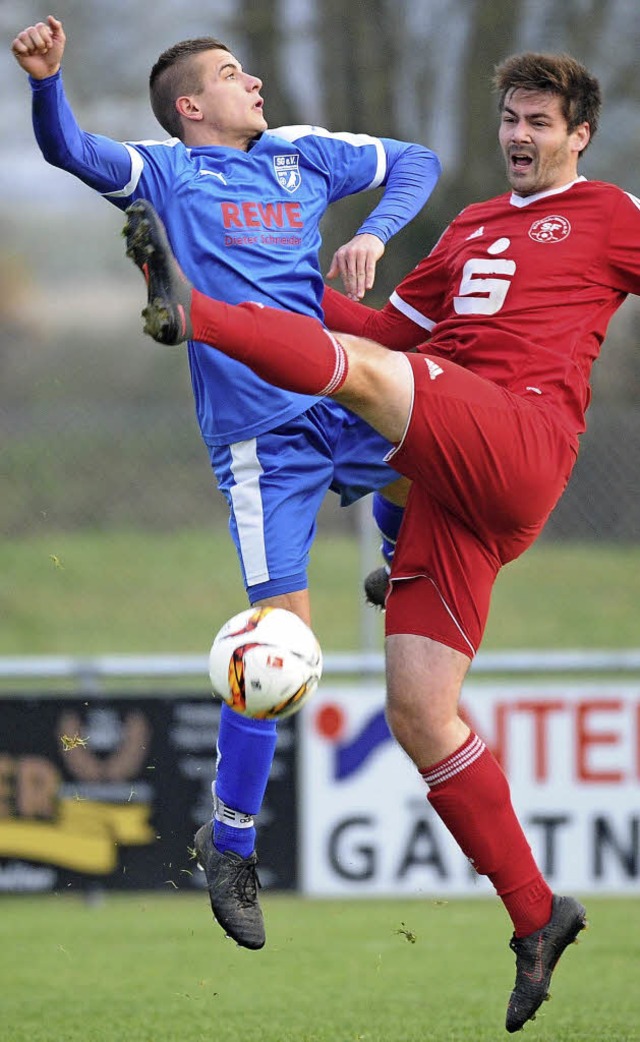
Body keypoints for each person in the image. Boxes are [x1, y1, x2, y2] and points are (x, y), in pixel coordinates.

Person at [118, 49, 638, 1032]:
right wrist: (267, 272)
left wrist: (210, 309)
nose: (519, 137)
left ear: (579, 137)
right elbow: (381, 335)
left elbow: (361, 366)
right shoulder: (473, 229)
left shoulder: (613, 215)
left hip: (519, 438)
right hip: (453, 477)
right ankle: (537, 914)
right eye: (510, 120)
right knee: (419, 712)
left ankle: (199, 319)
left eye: (540, 123)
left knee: (351, 380)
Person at [12, 17, 441, 950]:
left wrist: (371, 236)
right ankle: (232, 840)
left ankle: (402, 562)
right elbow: (69, 150)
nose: (254, 84)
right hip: (262, 442)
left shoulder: (301, 158)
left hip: (338, 386)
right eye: (232, 74)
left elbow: (419, 161)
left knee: (444, 445)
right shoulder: (165, 172)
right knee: (279, 645)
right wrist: (48, 83)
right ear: (190, 107)